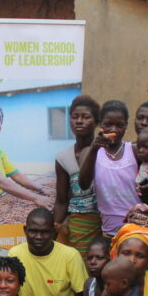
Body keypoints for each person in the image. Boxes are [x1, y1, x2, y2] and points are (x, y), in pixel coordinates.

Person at [77, 100, 141, 237]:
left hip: (137, 229)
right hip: (109, 230)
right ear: (100, 124)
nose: (114, 130)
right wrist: (94, 149)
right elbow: (83, 184)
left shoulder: (134, 151)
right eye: (108, 124)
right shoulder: (89, 152)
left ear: (126, 126)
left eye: (119, 125)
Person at [9, 207, 87, 296]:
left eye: (44, 232)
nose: (38, 237)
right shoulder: (15, 255)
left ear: (54, 232)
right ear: (25, 231)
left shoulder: (70, 256)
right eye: (33, 231)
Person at [54, 94, 102, 253]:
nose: (79, 121)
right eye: (75, 117)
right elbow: (61, 201)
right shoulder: (63, 158)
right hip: (78, 225)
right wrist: (55, 227)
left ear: (96, 122)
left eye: (85, 117)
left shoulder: (106, 152)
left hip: (105, 222)